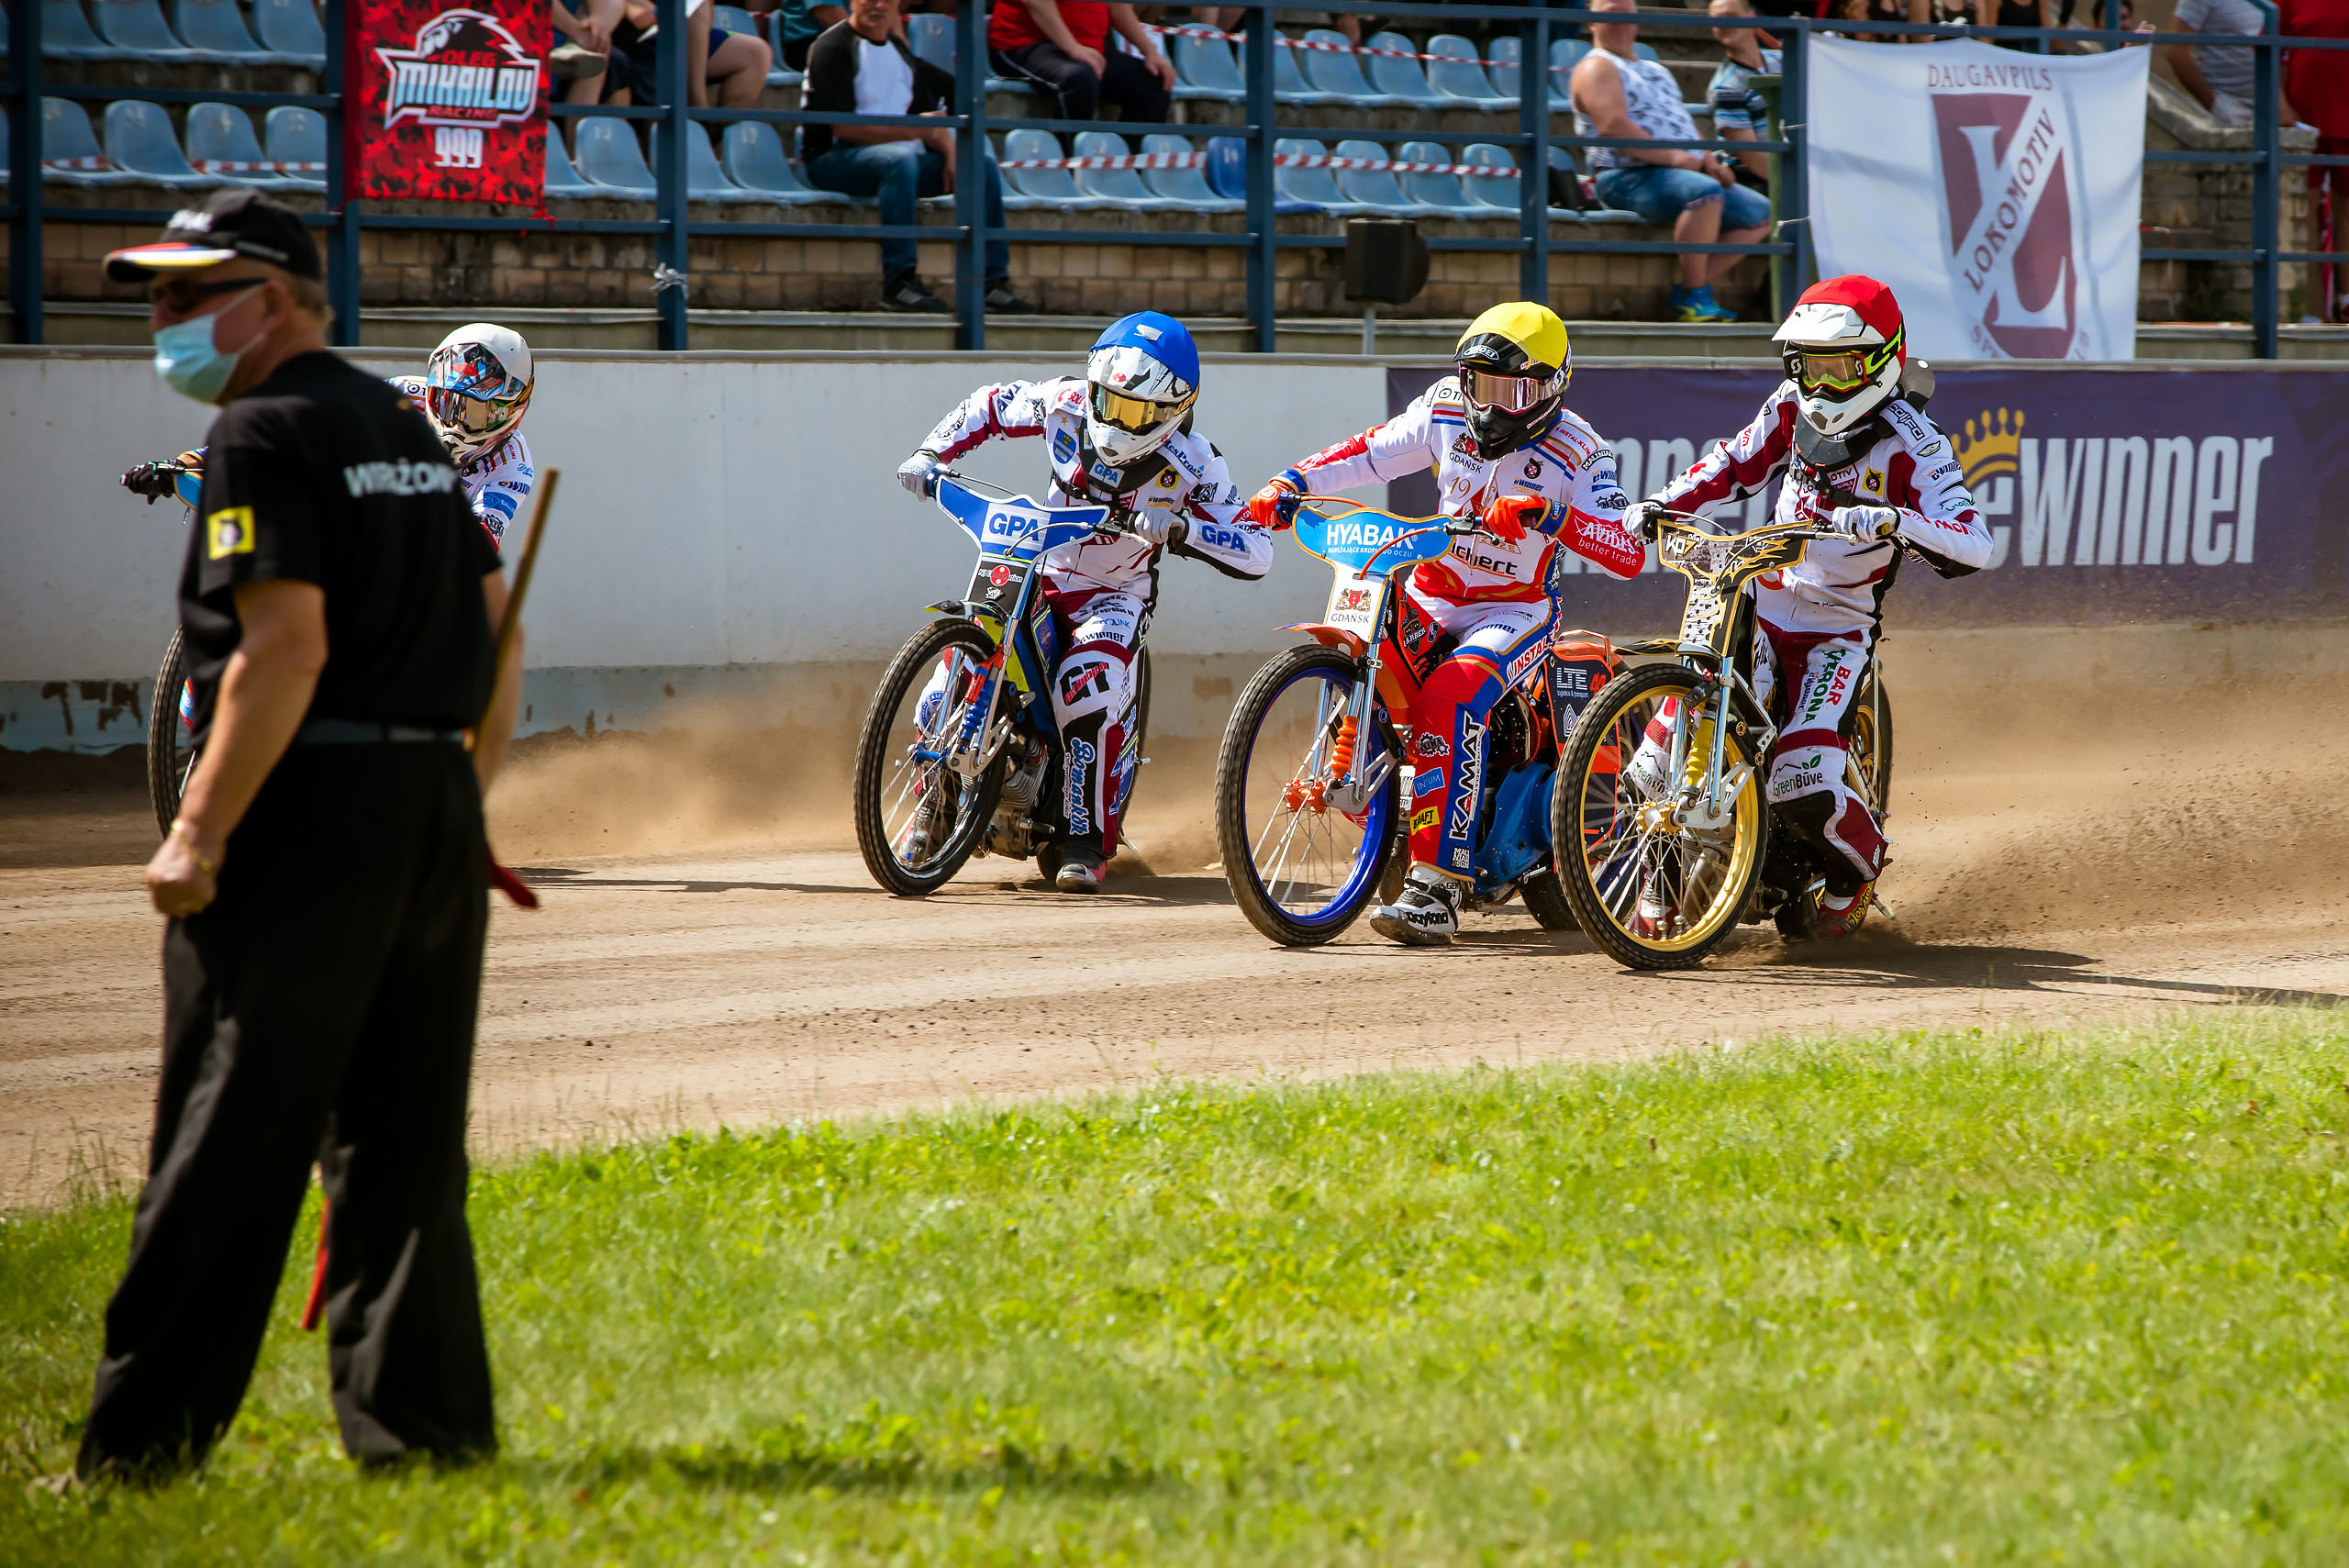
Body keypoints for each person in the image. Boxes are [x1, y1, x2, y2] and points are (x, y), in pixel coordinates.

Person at [76, 189, 523, 1482]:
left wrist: (197, 831)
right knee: (404, 1147)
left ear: (271, 300)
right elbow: (500, 642)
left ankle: (141, 1446)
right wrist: (461, 806)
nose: (162, 320)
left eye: (184, 294)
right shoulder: (405, 424)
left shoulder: (260, 427)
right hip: (429, 812)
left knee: (224, 1141)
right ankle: (426, 1437)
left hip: (305, 816)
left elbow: (282, 651)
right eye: (154, 297)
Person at [1245, 304, 1648, 947]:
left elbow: (1628, 552)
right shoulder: (1442, 408)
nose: (1489, 406)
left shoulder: (1582, 449)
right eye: (1478, 385)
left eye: (1510, 390)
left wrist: (1551, 515)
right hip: (1431, 588)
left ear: (1550, 388)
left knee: (1452, 693)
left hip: (1515, 610)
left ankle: (1437, 888)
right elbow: (1368, 455)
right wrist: (1290, 481)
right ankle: (1391, 819)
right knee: (1372, 648)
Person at [1632, 275, 1992, 940]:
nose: (1822, 386)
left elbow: (1976, 543)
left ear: (1882, 360)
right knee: (1659, 752)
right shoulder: (1792, 404)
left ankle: (1859, 868)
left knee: (1799, 775)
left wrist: (1894, 521)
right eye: (1809, 366)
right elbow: (1733, 463)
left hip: (1837, 630)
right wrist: (1662, 503)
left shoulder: (1915, 442)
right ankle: (1660, 883)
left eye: (1840, 367)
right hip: (1761, 598)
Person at [896, 312, 1271, 892]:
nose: (1108, 416)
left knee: (1085, 684)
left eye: (1129, 409)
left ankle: (1084, 839)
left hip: (1114, 596)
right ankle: (935, 804)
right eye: (1104, 398)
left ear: (1170, 411)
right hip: (1037, 563)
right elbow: (991, 404)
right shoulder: (1065, 402)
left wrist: (1179, 529)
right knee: (957, 671)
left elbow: (1256, 548)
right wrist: (931, 453)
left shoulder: (1197, 462)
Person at [128, 323, 539, 550]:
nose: (457, 421)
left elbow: (484, 542)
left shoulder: (513, 465)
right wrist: (193, 461)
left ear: (511, 410)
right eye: (449, 402)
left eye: (477, 410)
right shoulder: (402, 394)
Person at [802, 0, 1034, 313]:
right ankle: (900, 282)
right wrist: (920, 132)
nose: (879, 5)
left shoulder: (899, 51)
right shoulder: (833, 46)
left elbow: (945, 100)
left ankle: (991, 282)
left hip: (896, 162)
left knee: (979, 166)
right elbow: (842, 128)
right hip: (831, 159)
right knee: (898, 160)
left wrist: (951, 151)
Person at [1571, 0, 1773, 323]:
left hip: (1675, 172)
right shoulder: (1597, 65)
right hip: (1624, 174)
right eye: (1610, 13)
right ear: (1591, 22)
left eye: (1627, 15)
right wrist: (1677, 159)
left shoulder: (1655, 69)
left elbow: (1681, 124)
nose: (1620, 22)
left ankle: (1691, 287)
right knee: (1704, 193)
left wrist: (1708, 160)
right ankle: (1693, 298)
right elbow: (1613, 127)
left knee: (1762, 213)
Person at [989, 0, 1179, 125]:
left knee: (1155, 82)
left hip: (1088, 49)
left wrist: (1150, 52)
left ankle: (1125, 169)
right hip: (1024, 42)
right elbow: (1037, 3)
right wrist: (1072, 47)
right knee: (1078, 77)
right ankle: (1071, 167)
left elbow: (1116, 6)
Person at [2165, 0, 2299, 125]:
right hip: (2228, 108)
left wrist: (2282, 103)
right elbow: (2175, 51)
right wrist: (2213, 103)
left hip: (2279, 110)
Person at [1706, 0, 1782, 193]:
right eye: (1717, 20)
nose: (1724, 25)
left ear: (1751, 16)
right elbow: (1753, 159)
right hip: (1756, 180)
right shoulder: (1724, 88)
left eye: (1730, 16)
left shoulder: (1782, 60)